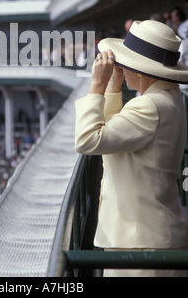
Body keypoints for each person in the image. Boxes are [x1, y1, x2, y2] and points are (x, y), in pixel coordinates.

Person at [75, 20, 188, 277]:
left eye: (126, 63)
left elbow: (87, 140)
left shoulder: (149, 106)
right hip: (149, 239)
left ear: (143, 69)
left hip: (142, 245)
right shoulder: (169, 98)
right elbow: (115, 134)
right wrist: (114, 86)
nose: (122, 67)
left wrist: (97, 86)